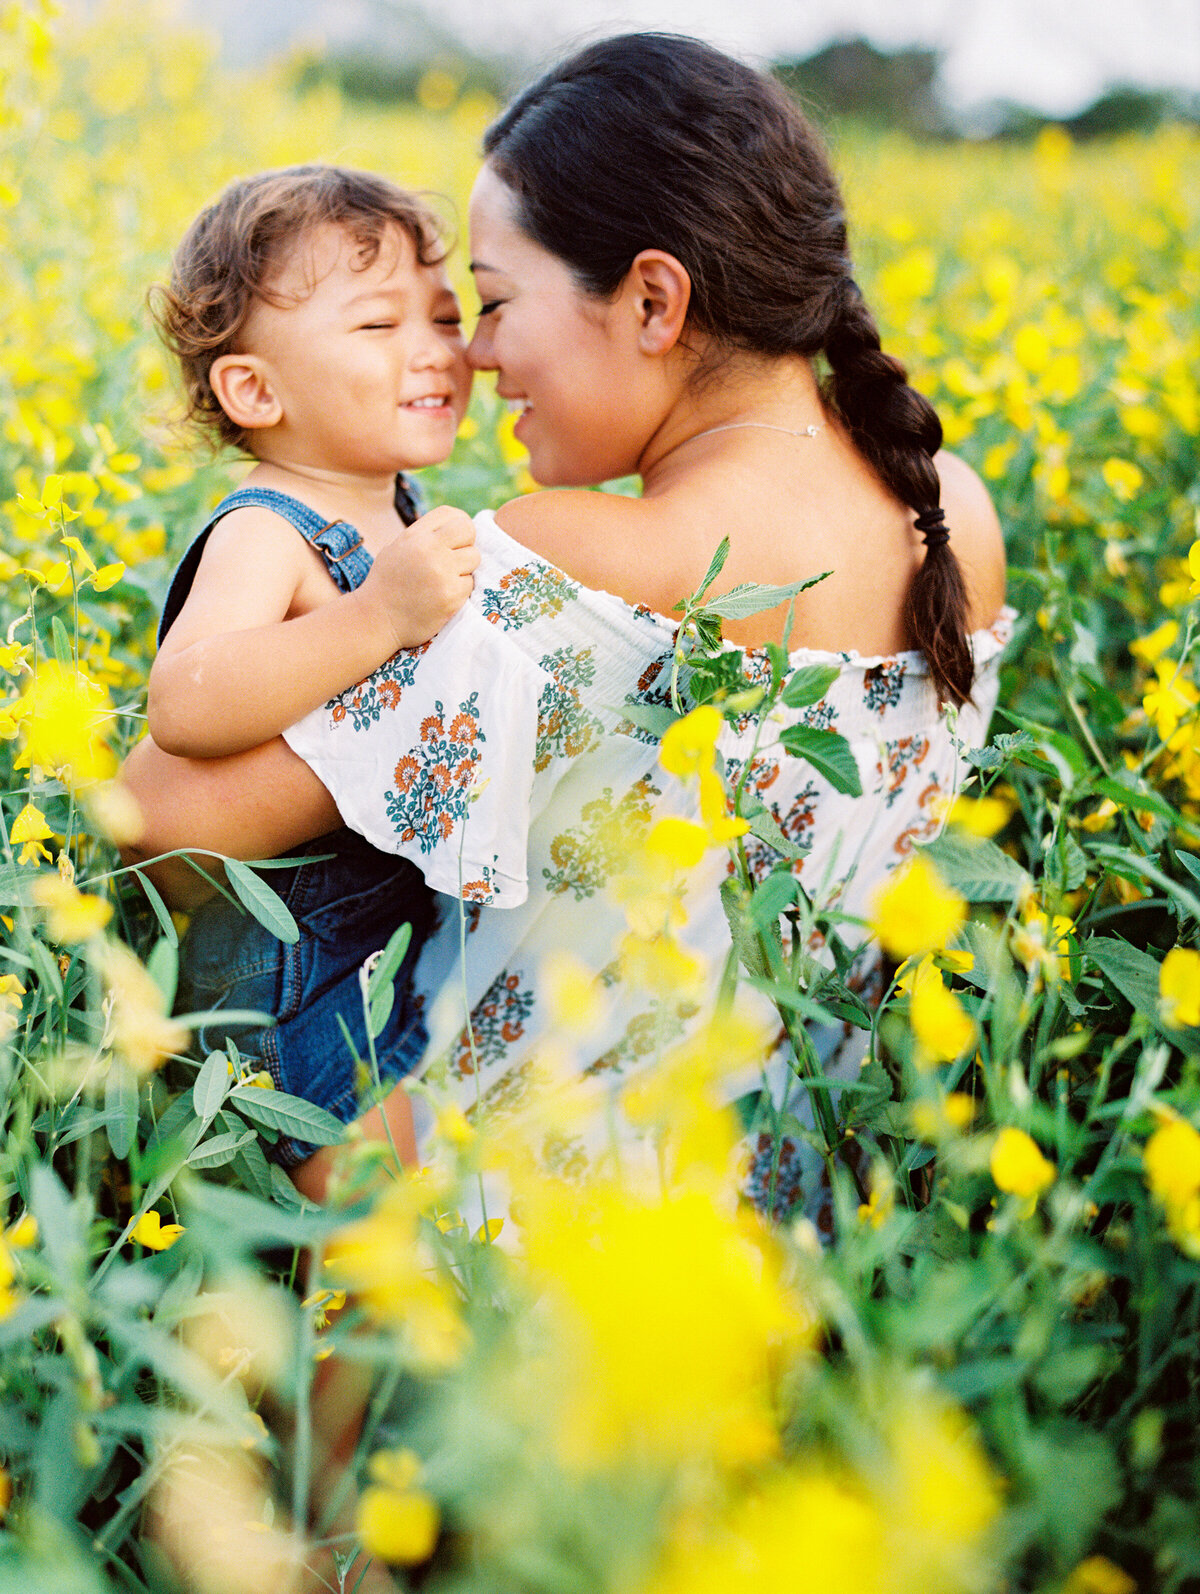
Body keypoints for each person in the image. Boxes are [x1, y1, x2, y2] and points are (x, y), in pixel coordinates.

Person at [122, 35, 1008, 1225]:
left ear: (653, 299)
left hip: (492, 1234)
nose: (471, 355)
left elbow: (165, 826)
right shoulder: (951, 505)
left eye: (489, 303)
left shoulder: (577, 558)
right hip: (761, 1233)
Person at [144, 165, 479, 1195]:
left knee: (389, 1225)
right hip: (292, 976)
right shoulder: (265, 526)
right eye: (379, 326)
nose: (433, 351)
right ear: (255, 389)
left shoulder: (398, 502)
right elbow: (187, 699)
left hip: (381, 948)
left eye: (446, 315)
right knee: (378, 1242)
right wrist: (376, 613)